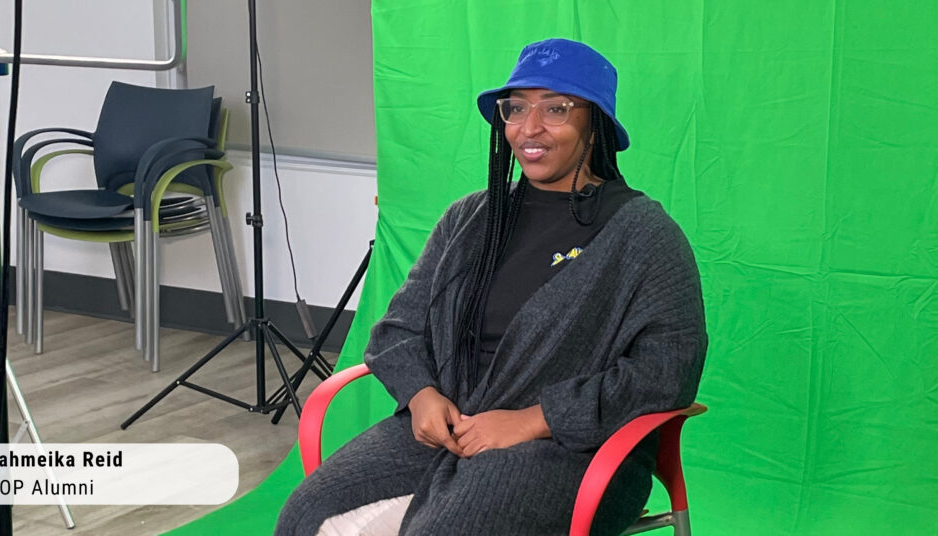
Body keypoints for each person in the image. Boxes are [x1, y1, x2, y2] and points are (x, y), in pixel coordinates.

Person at [276, 38, 707, 536]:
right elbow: (398, 329)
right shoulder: (471, 218)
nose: (530, 128)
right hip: (447, 429)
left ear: (597, 124)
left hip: (570, 450)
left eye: (556, 108)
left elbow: (667, 369)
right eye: (516, 108)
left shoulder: (642, 234)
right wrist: (421, 396)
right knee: (304, 515)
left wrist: (532, 419)